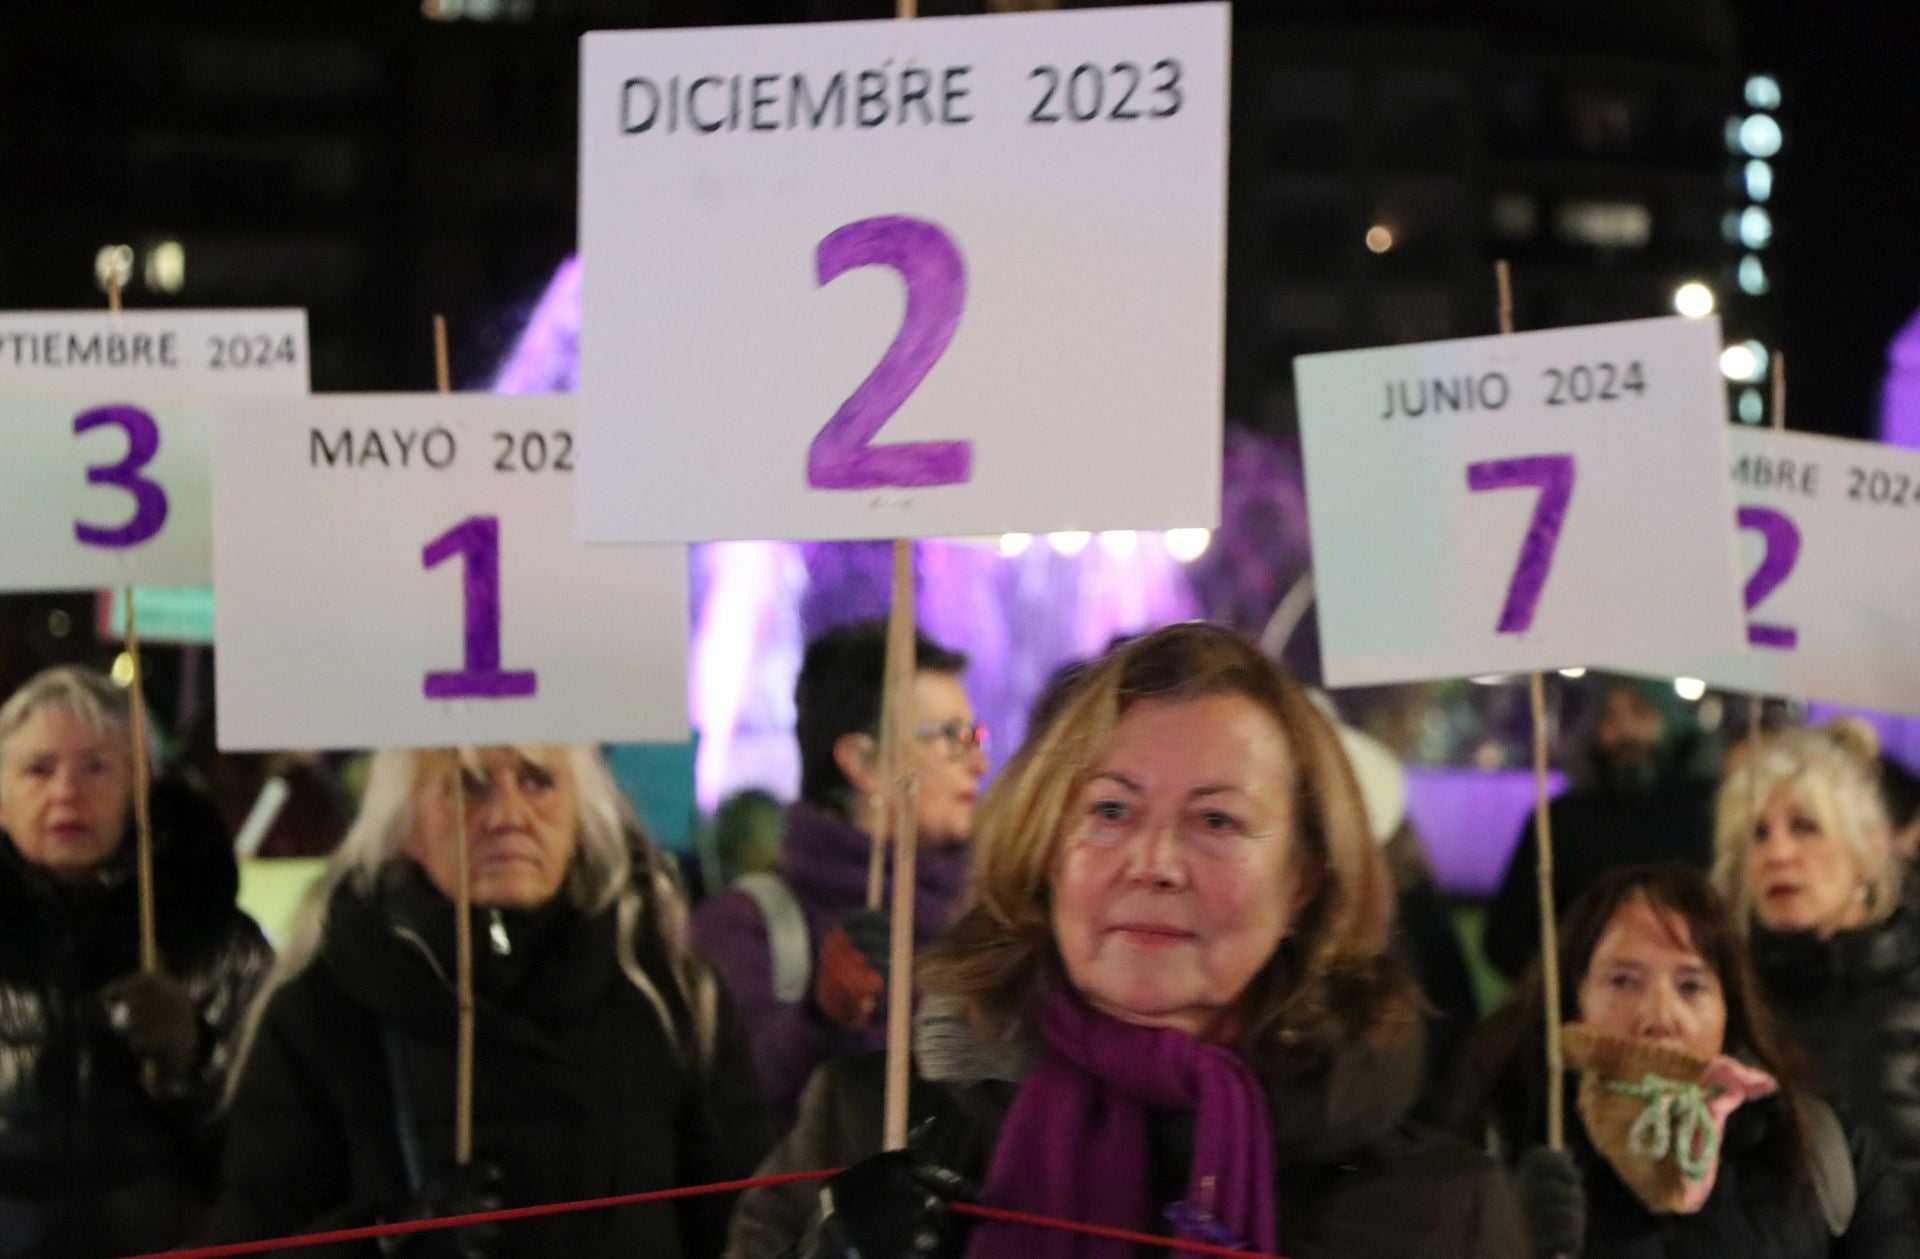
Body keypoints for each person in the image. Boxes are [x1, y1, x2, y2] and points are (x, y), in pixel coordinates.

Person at [728, 623, 1527, 1259]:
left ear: (1304, 882)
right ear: (1046, 848)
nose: (1153, 863)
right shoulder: (872, 1130)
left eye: (1217, 820)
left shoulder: (1436, 1211)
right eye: (1110, 810)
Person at [208, 745, 767, 1258]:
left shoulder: (672, 996)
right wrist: (386, 1239)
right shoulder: (321, 1011)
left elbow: (745, 1226)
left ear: (580, 811)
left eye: (538, 782)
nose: (507, 815)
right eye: (470, 785)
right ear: (405, 823)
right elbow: (253, 1238)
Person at [1457, 864, 1916, 1257]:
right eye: (1623, 981)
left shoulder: (1822, 1154)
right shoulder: (1496, 1144)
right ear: (1573, 1001)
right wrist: (1502, 1240)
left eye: (1691, 987)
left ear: (1729, 1010)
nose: (1660, 1018)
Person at [0, 665, 273, 1258]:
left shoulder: (217, 943)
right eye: (38, 769)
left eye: (96, 767)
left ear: (140, 788)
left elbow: (277, 1148)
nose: (66, 792)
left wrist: (197, 1058)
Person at [693, 621, 987, 1125]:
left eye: (975, 735)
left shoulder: (991, 920)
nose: (978, 762)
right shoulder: (749, 926)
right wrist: (823, 1016)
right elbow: (729, 1109)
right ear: (864, 762)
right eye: (952, 738)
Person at [1714, 719, 1920, 1200]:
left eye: (1805, 827)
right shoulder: (1724, 999)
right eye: (1757, 835)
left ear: (1868, 847)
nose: (1778, 854)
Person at [1483, 675, 1717, 981]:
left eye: (1640, 712)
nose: (1626, 732)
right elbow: (1505, 937)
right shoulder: (1558, 822)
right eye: (1611, 718)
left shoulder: (1708, 816)